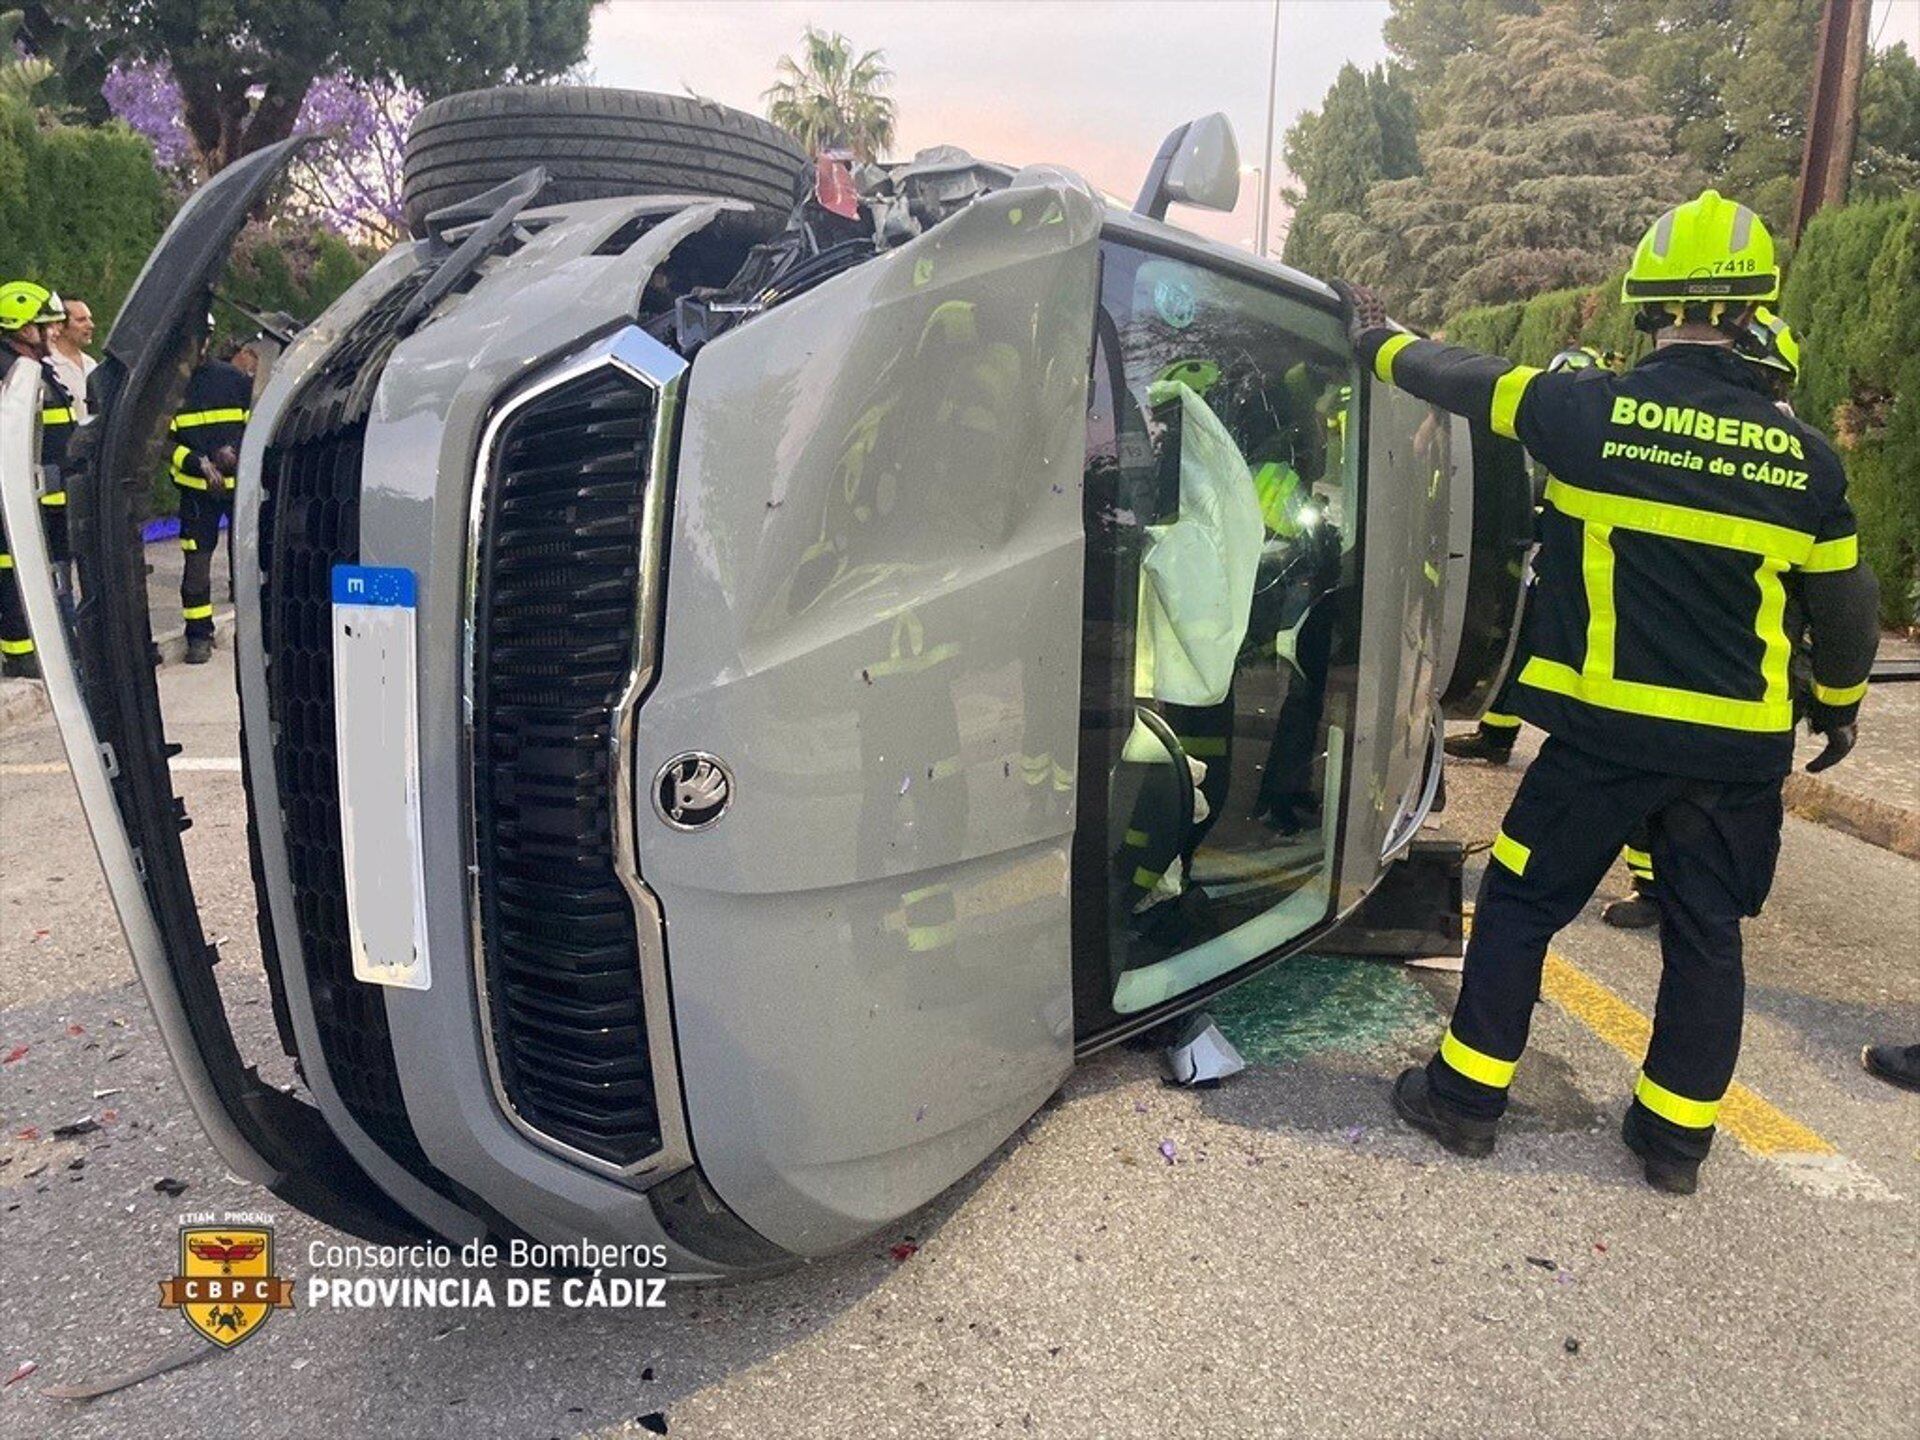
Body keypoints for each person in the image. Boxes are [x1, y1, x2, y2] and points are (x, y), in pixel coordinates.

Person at [1334, 188, 1881, 1196]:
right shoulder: (1808, 462)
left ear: (1647, 305)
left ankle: (1465, 1101)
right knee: (1706, 934)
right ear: (1756, 310)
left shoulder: (1587, 412)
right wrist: (1841, 705)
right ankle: (1674, 1143)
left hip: (1605, 744)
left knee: (1522, 903)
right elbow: (1848, 611)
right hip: (1736, 755)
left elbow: (1460, 375)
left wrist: (1372, 340)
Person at [0, 281, 78, 679]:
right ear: (21, 327)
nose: (54, 332)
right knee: (12, 569)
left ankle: (57, 644)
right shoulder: (9, 374)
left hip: (48, 499)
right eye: (45, 326)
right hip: (18, 500)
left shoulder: (36, 370)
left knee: (47, 574)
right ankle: (20, 653)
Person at [169, 339, 254, 664]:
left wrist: (234, 448)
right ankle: (198, 636)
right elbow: (162, 443)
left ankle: (250, 632)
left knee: (247, 560)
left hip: (240, 488)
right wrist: (198, 462)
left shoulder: (233, 379)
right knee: (197, 564)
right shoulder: (168, 387)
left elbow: (253, 424)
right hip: (196, 491)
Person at [45, 297, 97, 421]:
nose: (91, 325)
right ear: (60, 325)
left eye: (89, 319)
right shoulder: (47, 365)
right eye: (81, 320)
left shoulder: (92, 365)